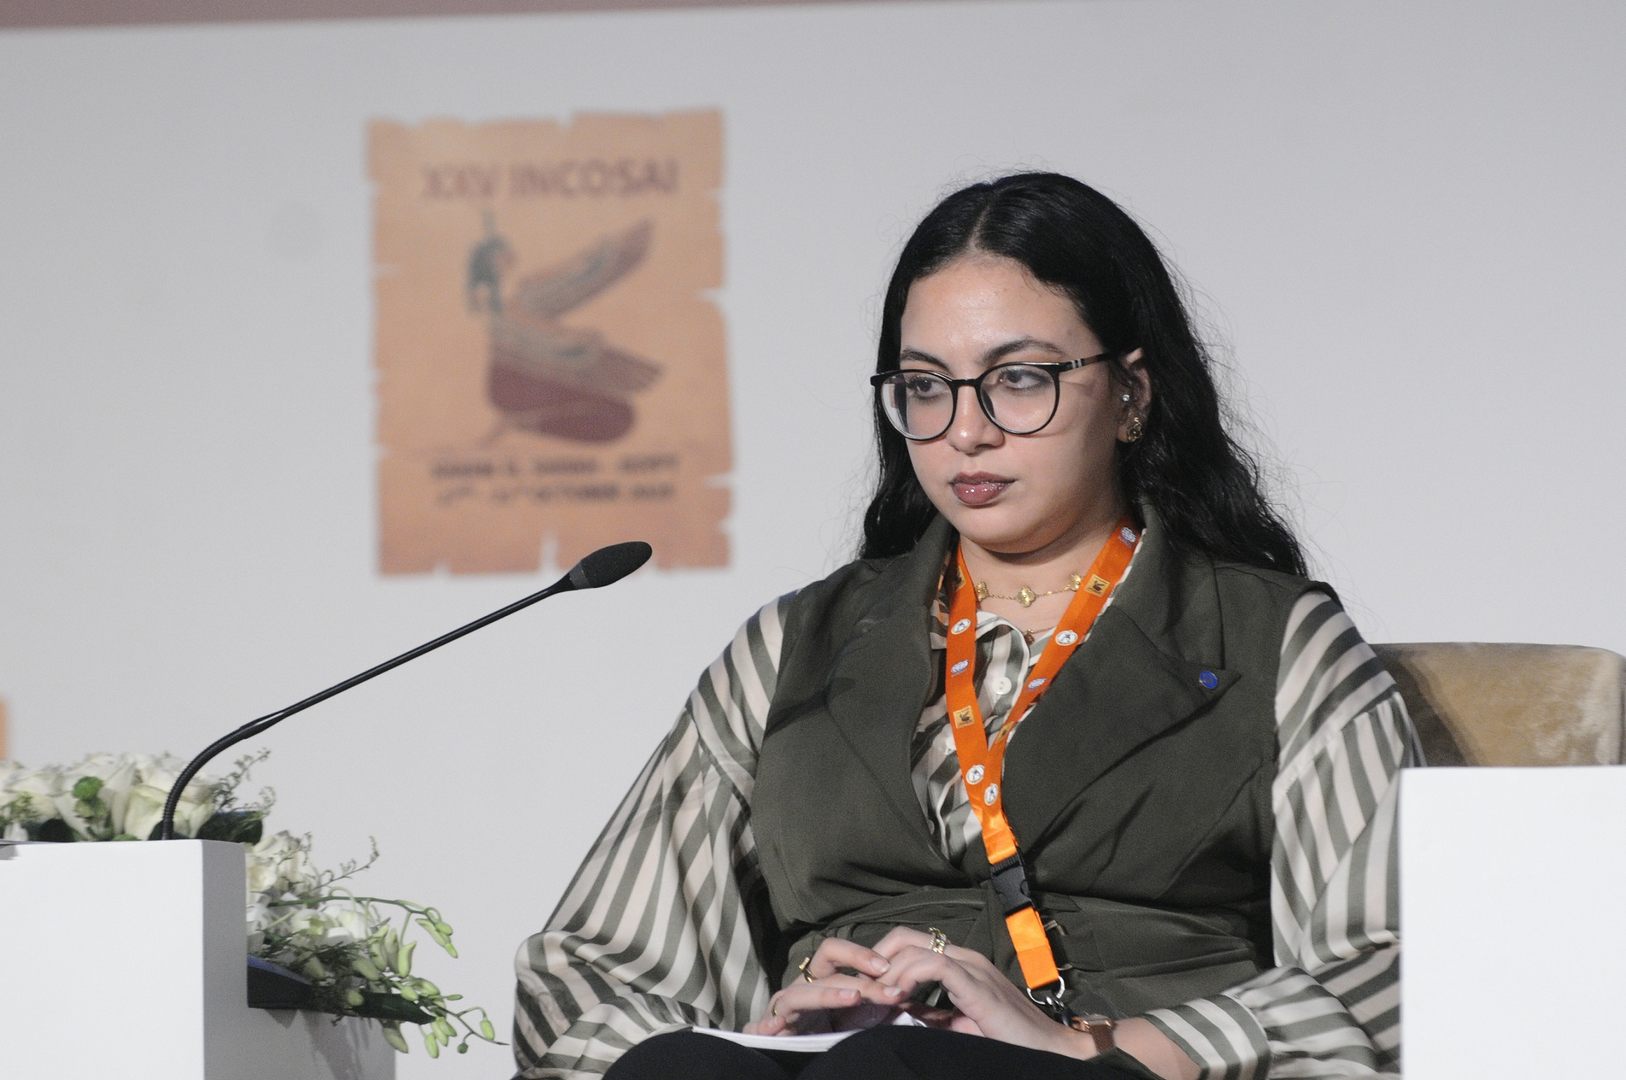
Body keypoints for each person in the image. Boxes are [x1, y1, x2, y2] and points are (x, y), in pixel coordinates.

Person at [512, 173, 1418, 1080]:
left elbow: (1394, 968)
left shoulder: (1277, 643)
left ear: (1131, 394)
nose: (966, 432)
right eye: (926, 386)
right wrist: (772, 1029)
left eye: (1019, 379)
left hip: (1109, 1065)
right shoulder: (792, 647)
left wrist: (1093, 1046)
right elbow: (588, 970)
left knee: (885, 1072)